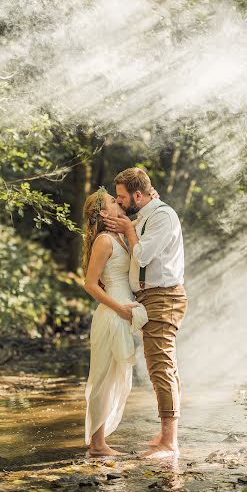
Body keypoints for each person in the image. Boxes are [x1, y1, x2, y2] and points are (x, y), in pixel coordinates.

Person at [103, 168, 187, 459]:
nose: (120, 202)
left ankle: (170, 443)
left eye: (122, 197)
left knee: (160, 365)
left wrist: (127, 229)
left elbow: (143, 256)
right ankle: (166, 435)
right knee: (163, 365)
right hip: (152, 296)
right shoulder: (146, 216)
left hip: (163, 296)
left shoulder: (162, 216)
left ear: (138, 195)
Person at [82, 186, 148, 456]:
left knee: (120, 379)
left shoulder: (120, 235)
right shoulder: (104, 241)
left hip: (124, 312)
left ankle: (101, 440)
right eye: (113, 199)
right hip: (112, 313)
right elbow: (89, 284)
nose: (119, 201)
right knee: (103, 378)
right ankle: (97, 444)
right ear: (102, 212)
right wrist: (120, 308)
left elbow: (142, 217)